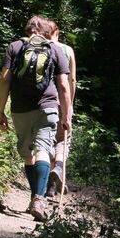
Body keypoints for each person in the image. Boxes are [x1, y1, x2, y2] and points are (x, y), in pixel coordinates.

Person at [0, 15, 71, 221]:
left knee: (28, 154)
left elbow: (4, 81)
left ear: (28, 29)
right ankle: (39, 198)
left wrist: (0, 110)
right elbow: (64, 85)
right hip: (47, 107)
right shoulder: (55, 49)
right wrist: (66, 115)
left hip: (20, 108)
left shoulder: (15, 47)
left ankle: (35, 196)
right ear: (47, 31)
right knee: (43, 150)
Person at [46, 20, 76, 197]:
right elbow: (71, 80)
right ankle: (58, 167)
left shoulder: (38, 48)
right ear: (58, 32)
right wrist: (69, 105)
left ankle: (49, 186)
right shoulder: (67, 50)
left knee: (46, 139)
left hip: (43, 101)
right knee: (63, 140)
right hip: (61, 100)